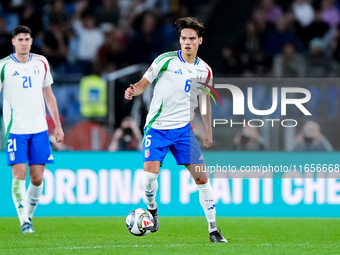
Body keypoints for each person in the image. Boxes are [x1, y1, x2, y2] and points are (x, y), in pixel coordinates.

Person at [124, 17, 227, 243]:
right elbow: (144, 82)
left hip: (183, 131)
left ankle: (213, 229)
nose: (187, 42)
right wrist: (134, 90)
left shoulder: (205, 71)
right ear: (179, 40)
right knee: (149, 178)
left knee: (202, 179)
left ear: (199, 40)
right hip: (157, 129)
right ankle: (152, 211)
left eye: (191, 39)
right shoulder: (166, 61)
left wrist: (208, 129)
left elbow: (205, 101)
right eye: (183, 39)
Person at [0, 25, 64, 233]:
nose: (24, 42)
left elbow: (49, 96)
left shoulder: (41, 62)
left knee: (37, 177)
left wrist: (58, 126)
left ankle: (28, 216)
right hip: (15, 129)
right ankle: (24, 221)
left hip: (39, 129)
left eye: (27, 39)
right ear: (13, 42)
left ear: (31, 41)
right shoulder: (4, 66)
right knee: (19, 175)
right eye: (20, 39)